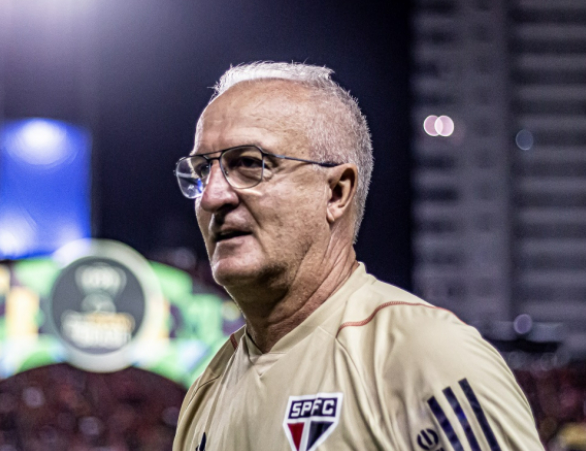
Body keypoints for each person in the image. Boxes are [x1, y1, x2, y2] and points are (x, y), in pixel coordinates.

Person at [172, 62, 544, 451]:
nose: (212, 197)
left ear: (336, 193)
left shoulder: (428, 356)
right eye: (201, 171)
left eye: (248, 163)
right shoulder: (207, 391)